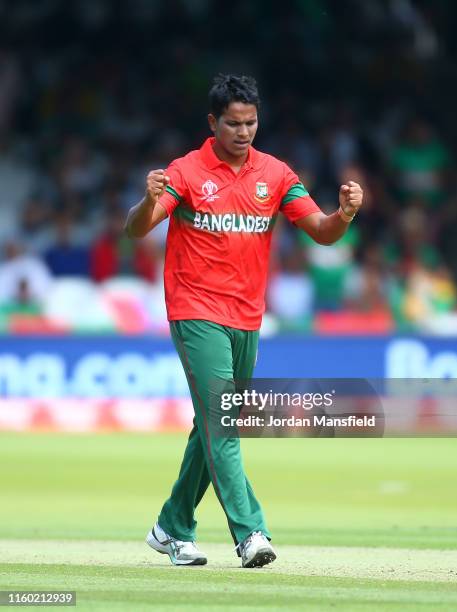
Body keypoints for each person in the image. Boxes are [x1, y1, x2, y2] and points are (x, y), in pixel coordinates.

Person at [124, 74, 363, 568]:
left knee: (212, 426)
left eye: (251, 122)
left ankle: (171, 527)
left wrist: (342, 215)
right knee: (224, 420)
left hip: (247, 317)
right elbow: (137, 228)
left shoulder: (274, 174)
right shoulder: (186, 171)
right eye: (233, 123)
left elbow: (320, 231)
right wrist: (149, 199)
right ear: (213, 123)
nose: (244, 131)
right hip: (194, 310)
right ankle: (250, 533)